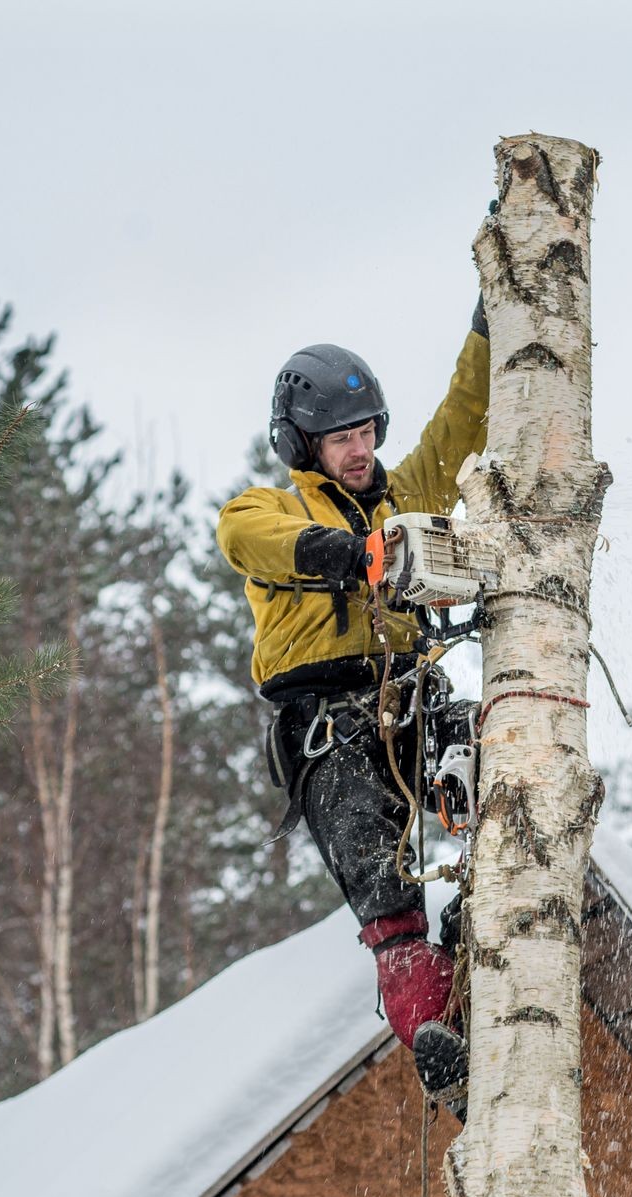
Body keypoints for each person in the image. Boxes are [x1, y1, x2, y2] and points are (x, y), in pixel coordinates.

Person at [215, 298, 489, 1119]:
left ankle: (492, 891)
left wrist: (490, 312)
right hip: (329, 726)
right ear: (305, 446)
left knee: (475, 743)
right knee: (383, 883)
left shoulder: (404, 495)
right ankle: (429, 1020)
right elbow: (247, 541)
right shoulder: (270, 509)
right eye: (342, 438)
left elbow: (463, 416)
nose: (361, 449)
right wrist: (352, 554)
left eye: (368, 431)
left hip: (408, 701)